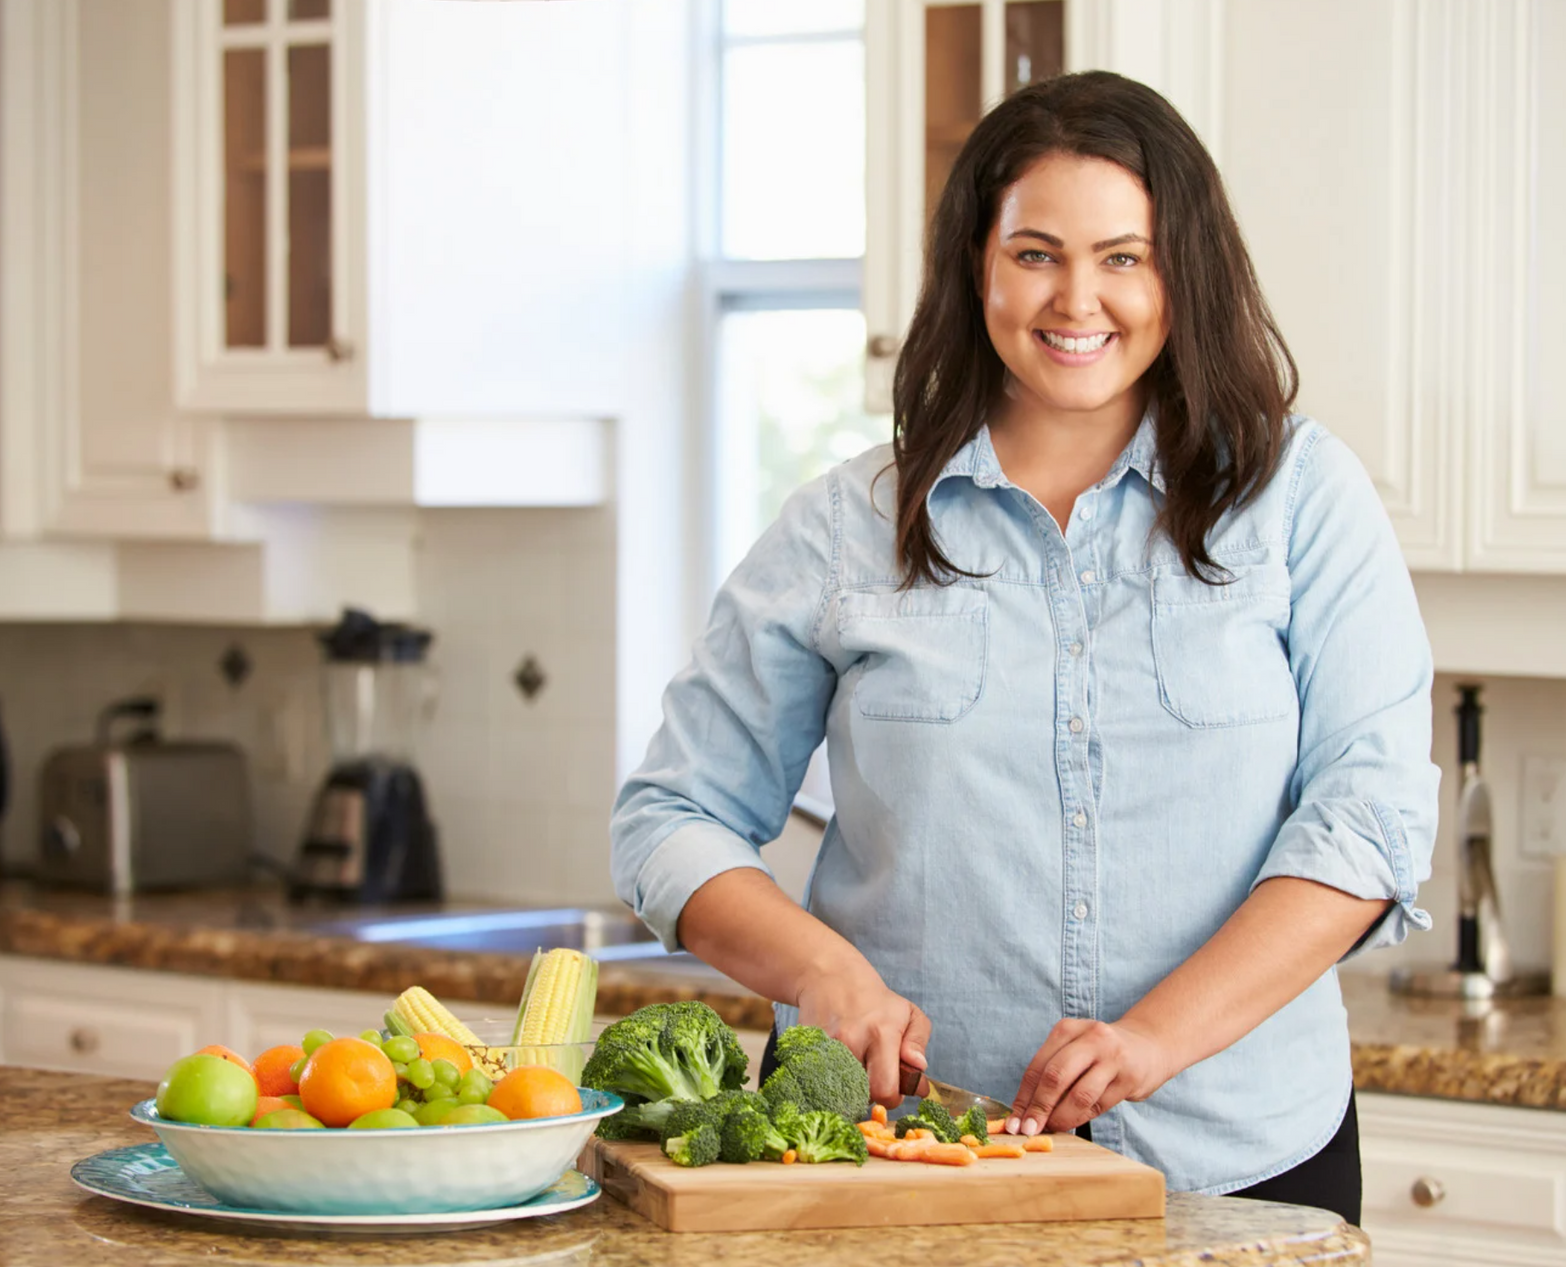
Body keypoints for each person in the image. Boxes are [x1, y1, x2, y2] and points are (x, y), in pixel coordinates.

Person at [609, 70, 1437, 1225]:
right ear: (978, 267)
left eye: (1124, 257)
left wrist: (1154, 1039)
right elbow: (669, 816)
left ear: (1181, 273)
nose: (1078, 298)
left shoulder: (1300, 500)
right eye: (1036, 253)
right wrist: (820, 969)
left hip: (1240, 1155)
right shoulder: (846, 529)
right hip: (897, 1162)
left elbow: (1371, 819)